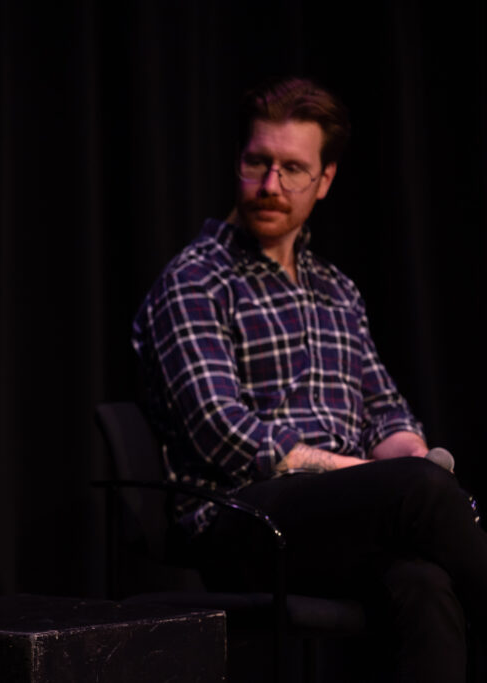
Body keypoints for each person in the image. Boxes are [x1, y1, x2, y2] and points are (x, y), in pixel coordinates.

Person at [132, 77, 487, 682]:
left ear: (325, 180)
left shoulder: (336, 288)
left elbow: (386, 411)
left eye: (293, 169)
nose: (270, 185)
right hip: (238, 520)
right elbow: (226, 431)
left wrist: (410, 453)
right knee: (419, 492)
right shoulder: (197, 279)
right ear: (237, 162)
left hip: (340, 522)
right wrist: (389, 478)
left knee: (423, 584)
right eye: (257, 163)